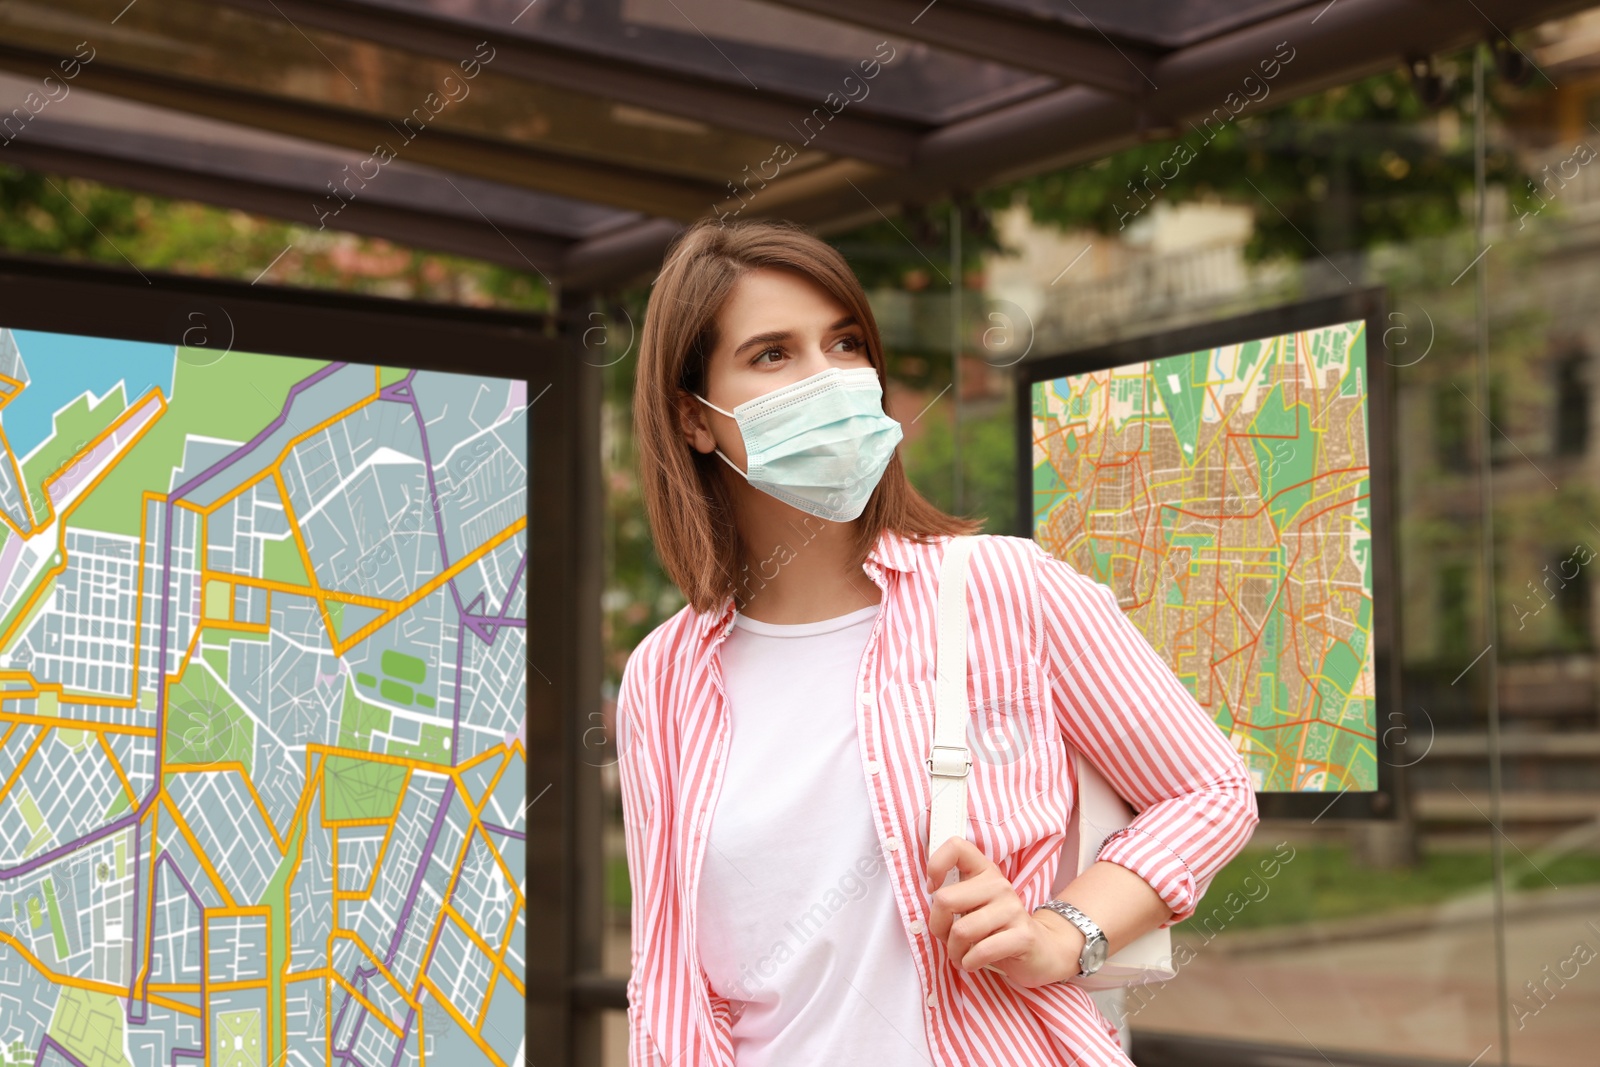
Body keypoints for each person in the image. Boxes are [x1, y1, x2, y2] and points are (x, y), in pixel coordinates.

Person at [616, 217, 1260, 1066]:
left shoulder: (1005, 588)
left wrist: (1066, 932)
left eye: (845, 344)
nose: (830, 377)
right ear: (693, 419)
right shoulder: (664, 675)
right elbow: (667, 974)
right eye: (773, 354)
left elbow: (1210, 791)